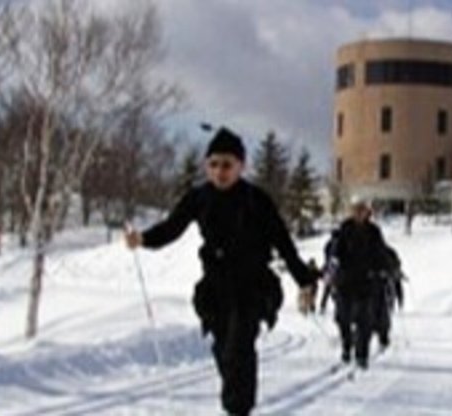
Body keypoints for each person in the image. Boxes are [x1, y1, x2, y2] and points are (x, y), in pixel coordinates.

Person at [125, 127, 317, 416]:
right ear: (206, 166)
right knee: (224, 350)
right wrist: (143, 239)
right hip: (216, 288)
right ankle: (237, 403)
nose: (220, 172)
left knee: (239, 349)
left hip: (252, 286)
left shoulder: (257, 200)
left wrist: (303, 277)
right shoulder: (199, 198)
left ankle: (238, 410)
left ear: (241, 165)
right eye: (213, 165)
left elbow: (283, 242)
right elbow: (172, 227)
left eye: (227, 165)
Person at [331, 200, 391, 369]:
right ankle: (346, 345)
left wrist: (384, 269)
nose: (359, 213)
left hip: (366, 282)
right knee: (343, 317)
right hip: (345, 282)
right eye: (356, 210)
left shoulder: (374, 232)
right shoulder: (344, 230)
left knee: (364, 320)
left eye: (362, 210)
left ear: (367, 212)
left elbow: (381, 253)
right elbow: (335, 253)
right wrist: (332, 270)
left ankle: (362, 354)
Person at [371, 245, 405, 350]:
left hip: (382, 286)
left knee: (382, 311)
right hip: (375, 287)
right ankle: (382, 335)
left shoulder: (387, 252)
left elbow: (395, 270)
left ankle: (382, 335)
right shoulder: (388, 252)